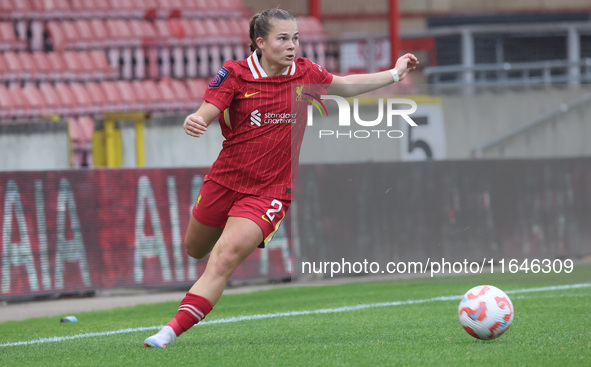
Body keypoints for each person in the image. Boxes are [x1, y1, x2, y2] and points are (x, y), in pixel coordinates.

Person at [144, 8, 418, 348]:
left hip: (269, 192)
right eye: (283, 38)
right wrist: (195, 120)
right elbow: (206, 111)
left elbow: (344, 86)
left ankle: (168, 332)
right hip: (224, 181)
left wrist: (395, 73)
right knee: (195, 248)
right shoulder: (235, 74)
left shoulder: (304, 73)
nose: (293, 46)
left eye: (296, 38)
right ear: (261, 42)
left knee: (224, 257)